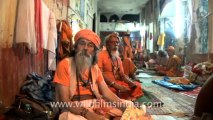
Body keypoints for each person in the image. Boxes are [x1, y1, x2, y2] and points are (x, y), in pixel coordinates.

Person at [54, 29, 133, 120]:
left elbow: (106, 92)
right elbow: (64, 101)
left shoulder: (94, 67)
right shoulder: (64, 65)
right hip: (73, 107)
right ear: (76, 47)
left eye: (90, 45)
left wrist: (124, 108)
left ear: (94, 51)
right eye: (82, 43)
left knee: (129, 105)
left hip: (95, 103)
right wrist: (87, 114)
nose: (85, 48)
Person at [97, 32, 143, 100]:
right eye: (112, 42)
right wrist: (115, 85)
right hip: (106, 84)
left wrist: (130, 82)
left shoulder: (117, 58)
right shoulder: (100, 55)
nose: (115, 44)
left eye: (117, 42)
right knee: (112, 91)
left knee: (137, 86)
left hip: (117, 82)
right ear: (107, 44)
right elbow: (99, 74)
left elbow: (122, 74)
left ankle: (124, 97)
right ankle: (125, 98)